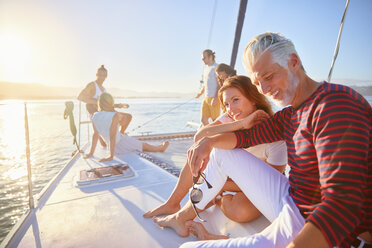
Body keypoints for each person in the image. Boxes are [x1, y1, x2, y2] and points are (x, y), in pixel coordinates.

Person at [180, 32, 371, 248]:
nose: (264, 89)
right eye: (257, 83)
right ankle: (185, 214)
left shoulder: (335, 106)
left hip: (337, 234)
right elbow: (247, 137)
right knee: (222, 150)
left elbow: (342, 206)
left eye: (269, 77)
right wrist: (208, 143)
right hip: (297, 204)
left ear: (293, 62)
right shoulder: (293, 113)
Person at [148, 76, 287, 229]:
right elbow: (199, 136)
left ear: (253, 98)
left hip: (253, 185)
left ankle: (218, 197)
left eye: (236, 100)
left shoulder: (275, 136)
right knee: (197, 150)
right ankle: (172, 203)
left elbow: (269, 186)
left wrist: (220, 187)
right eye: (226, 104)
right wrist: (239, 123)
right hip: (227, 175)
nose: (230, 109)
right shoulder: (231, 117)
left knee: (240, 212)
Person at [84, 93, 169, 162]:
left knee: (132, 140)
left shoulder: (94, 116)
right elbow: (113, 136)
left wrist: (91, 153)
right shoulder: (114, 115)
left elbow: (95, 135)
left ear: (99, 103)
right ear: (111, 103)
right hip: (121, 143)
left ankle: (129, 142)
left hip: (113, 146)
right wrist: (111, 155)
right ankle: (160, 148)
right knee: (145, 145)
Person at [77, 65, 128, 147]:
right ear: (96, 74)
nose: (101, 77)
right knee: (104, 144)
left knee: (127, 117)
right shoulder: (92, 85)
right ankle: (111, 137)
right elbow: (80, 97)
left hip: (105, 114)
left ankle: (119, 136)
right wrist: (97, 102)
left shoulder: (104, 89)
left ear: (106, 76)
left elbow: (105, 104)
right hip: (96, 115)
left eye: (104, 75)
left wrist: (118, 105)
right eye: (100, 75)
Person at [196, 49, 221, 126]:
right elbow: (205, 83)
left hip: (214, 97)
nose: (202, 59)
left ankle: (217, 136)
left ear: (210, 57)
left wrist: (216, 97)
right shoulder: (206, 69)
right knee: (203, 120)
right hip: (206, 98)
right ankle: (210, 135)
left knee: (215, 121)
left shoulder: (216, 67)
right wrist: (200, 93)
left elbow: (220, 83)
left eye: (204, 57)